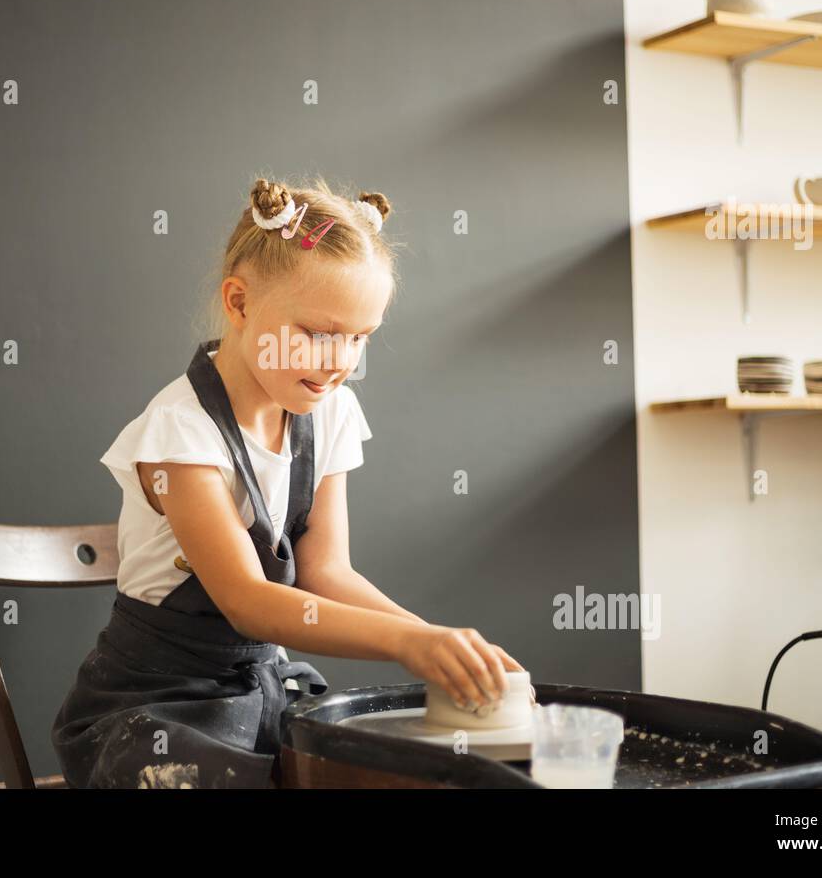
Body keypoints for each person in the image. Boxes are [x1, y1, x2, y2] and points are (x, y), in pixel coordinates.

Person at [52, 176, 525, 788]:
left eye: (360, 338)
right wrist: (408, 645)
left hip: (261, 696)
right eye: (319, 335)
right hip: (152, 710)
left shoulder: (327, 413)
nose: (340, 363)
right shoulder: (179, 435)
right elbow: (248, 601)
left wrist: (434, 641)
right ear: (241, 303)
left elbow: (327, 572)